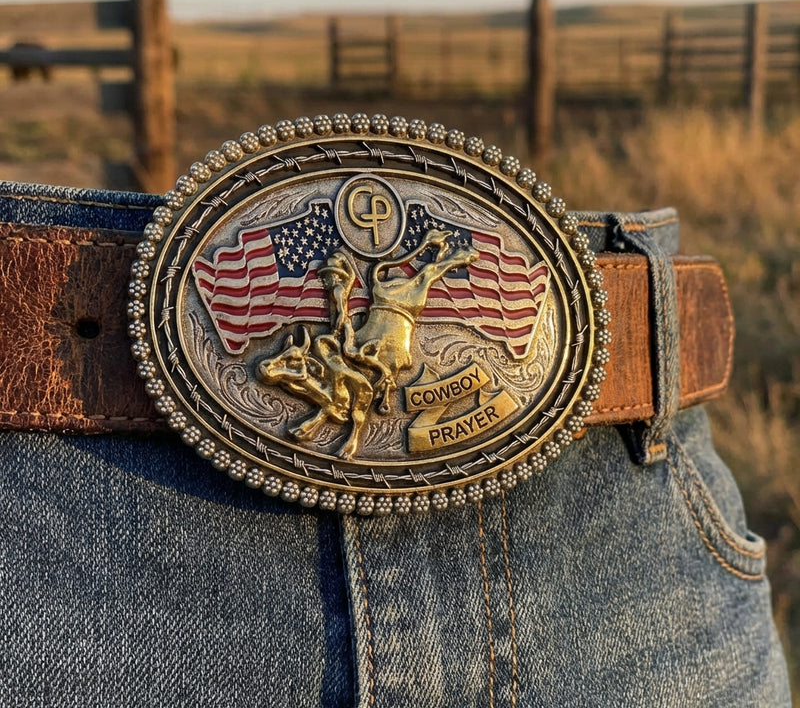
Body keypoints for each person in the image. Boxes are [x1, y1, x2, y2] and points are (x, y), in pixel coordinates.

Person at [0, 125, 790, 707]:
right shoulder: (375, 297)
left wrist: (432, 267)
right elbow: (348, 309)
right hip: (69, 545)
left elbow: (428, 277)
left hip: (630, 536)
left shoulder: (406, 292)